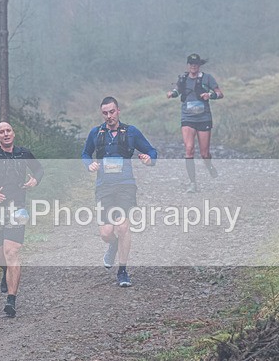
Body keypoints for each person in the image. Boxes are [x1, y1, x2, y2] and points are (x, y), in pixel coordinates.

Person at [81, 96, 157, 287]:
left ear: (118, 111)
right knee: (106, 233)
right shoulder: (95, 133)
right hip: (104, 187)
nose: (109, 116)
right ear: (102, 114)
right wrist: (89, 164)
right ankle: (113, 245)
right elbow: (85, 153)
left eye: (112, 112)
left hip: (125, 185)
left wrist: (148, 159)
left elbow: (151, 151)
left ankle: (122, 271)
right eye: (105, 113)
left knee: (122, 226)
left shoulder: (131, 132)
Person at [0, 121, 44, 317]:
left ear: (13, 134)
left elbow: (39, 169)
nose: (5, 134)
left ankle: (11, 300)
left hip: (18, 208)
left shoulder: (23, 153)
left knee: (12, 251)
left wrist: (34, 180)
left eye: (8, 131)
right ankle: (5, 272)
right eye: (1, 132)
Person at [167, 53, 224, 193]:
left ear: (199, 65)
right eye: (191, 64)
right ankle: (192, 183)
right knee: (189, 150)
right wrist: (171, 94)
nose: (193, 66)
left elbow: (220, 93)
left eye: (196, 64)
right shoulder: (183, 78)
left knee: (204, 153)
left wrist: (210, 95)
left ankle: (209, 165)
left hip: (204, 118)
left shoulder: (207, 78)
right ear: (188, 65)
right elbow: (177, 91)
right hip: (187, 118)